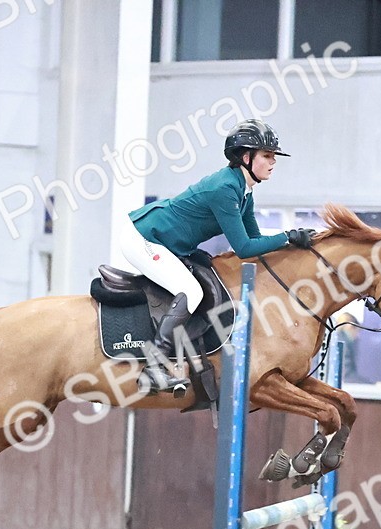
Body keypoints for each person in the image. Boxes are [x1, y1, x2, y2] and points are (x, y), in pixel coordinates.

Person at [120, 119, 314, 394]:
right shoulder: (225, 188)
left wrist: (290, 243)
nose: (273, 162)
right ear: (246, 157)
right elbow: (245, 248)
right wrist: (287, 236)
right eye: (267, 156)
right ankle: (153, 369)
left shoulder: (244, 191)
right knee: (191, 291)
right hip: (144, 238)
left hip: (165, 241)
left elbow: (256, 242)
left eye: (273, 157)